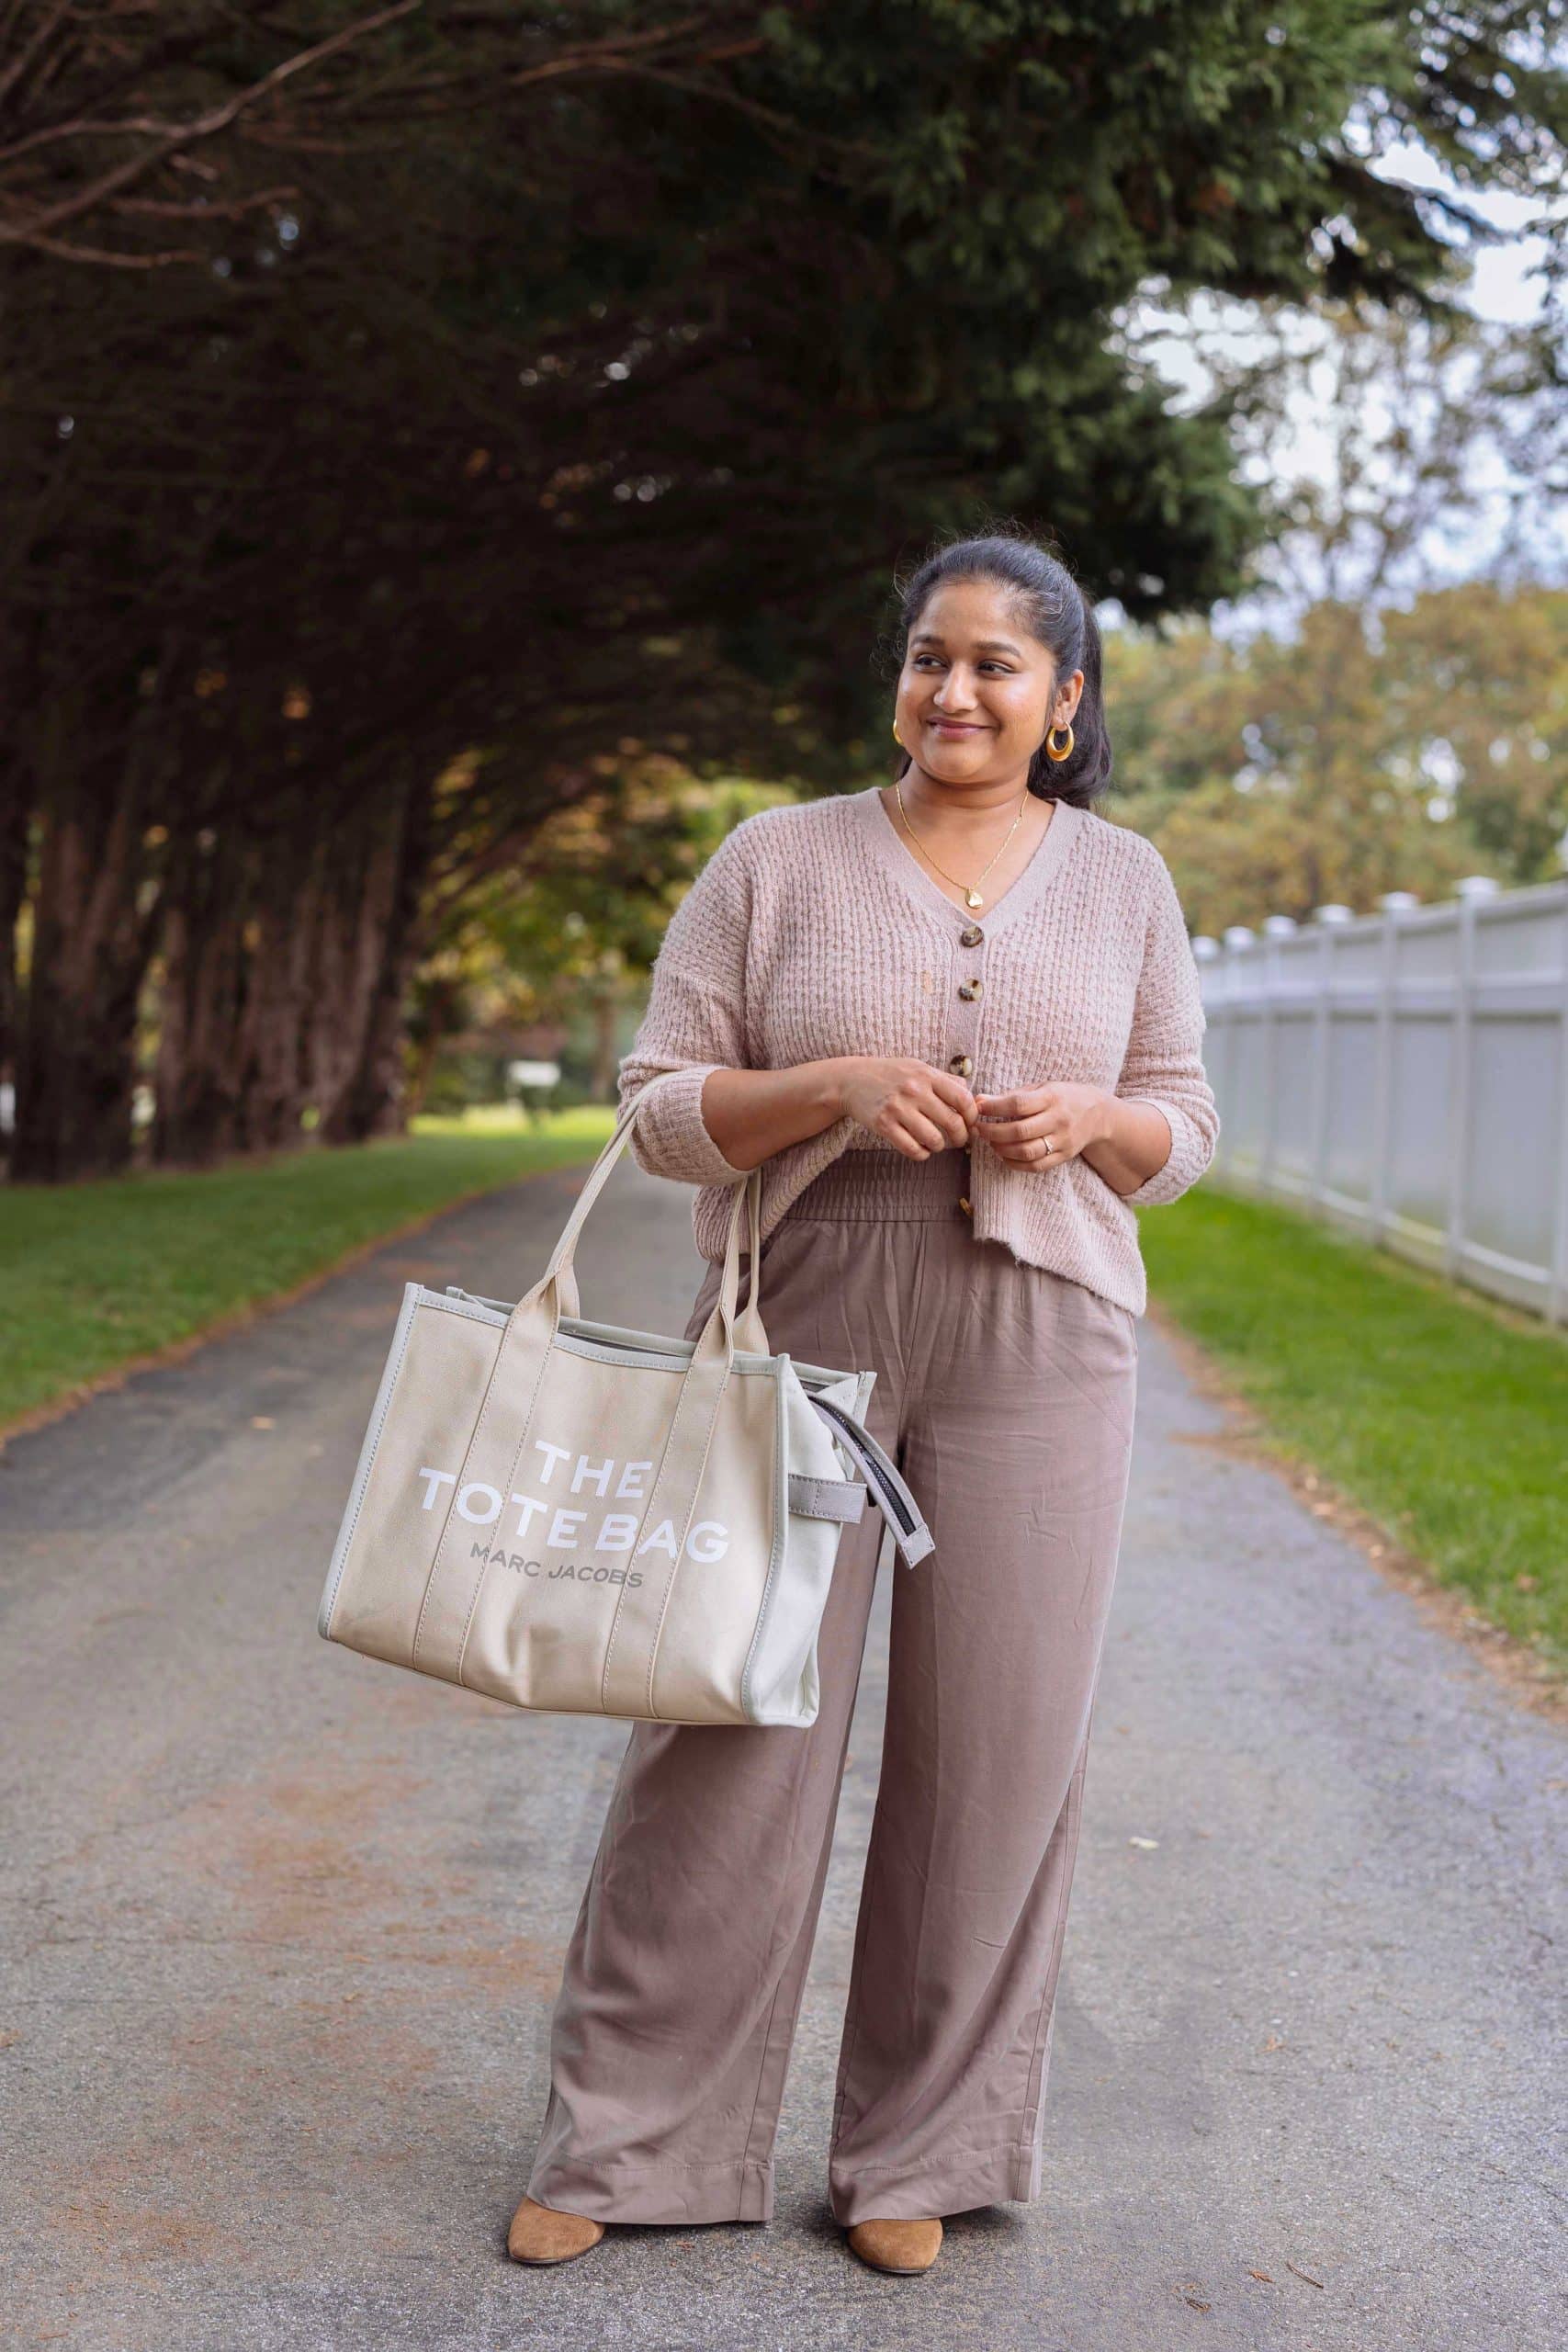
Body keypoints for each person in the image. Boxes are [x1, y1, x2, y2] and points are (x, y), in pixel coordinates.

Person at [507, 528, 1220, 2277]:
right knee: (727, 1723)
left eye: (995, 665)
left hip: (1041, 1329)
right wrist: (821, 1086)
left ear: (1062, 702)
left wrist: (1088, 1127)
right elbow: (660, 1098)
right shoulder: (779, 860)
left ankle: (918, 2152)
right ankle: (628, 2142)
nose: (954, 689)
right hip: (801, 1318)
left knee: (995, 1752)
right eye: (929, 655)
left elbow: (1184, 1126)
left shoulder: (1124, 882)